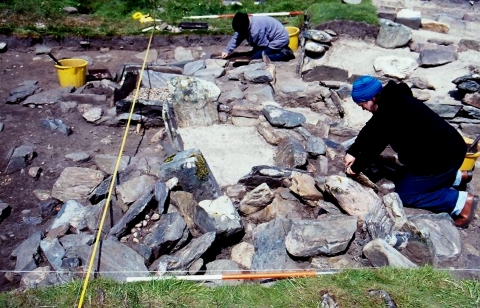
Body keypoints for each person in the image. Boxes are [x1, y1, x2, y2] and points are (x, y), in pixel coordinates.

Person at [344, 75, 478, 228]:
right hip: (449, 148)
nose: (362, 108)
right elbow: (372, 127)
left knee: (406, 195)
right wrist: (353, 151)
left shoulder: (391, 111)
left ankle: (460, 202)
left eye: (362, 104)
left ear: (373, 98)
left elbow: (375, 147)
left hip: (442, 158)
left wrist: (355, 168)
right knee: (406, 176)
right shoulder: (393, 99)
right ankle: (456, 177)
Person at [221, 12, 295, 62]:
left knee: (256, 58)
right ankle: (280, 50)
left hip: (279, 40)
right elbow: (237, 38)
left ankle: (284, 55)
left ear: (245, 28)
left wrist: (257, 53)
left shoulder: (256, 30)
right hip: (271, 39)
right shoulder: (246, 23)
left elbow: (263, 45)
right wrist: (227, 51)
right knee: (255, 53)